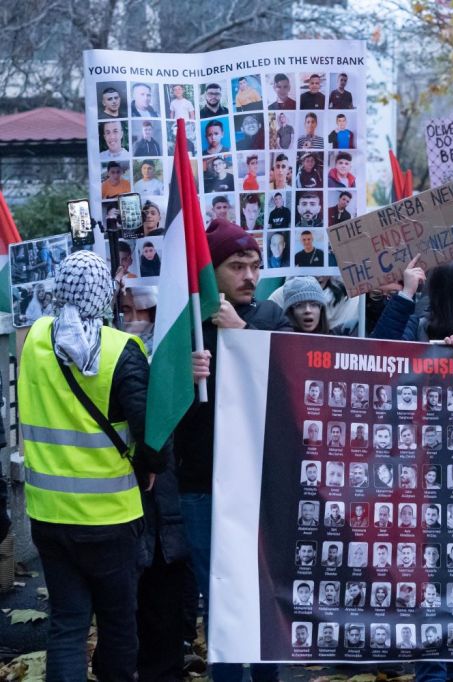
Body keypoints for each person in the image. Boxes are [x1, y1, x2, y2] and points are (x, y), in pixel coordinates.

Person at [20, 251, 169, 682]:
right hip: (111, 519)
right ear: (105, 294)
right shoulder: (122, 350)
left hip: (47, 514)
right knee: (118, 624)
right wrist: (151, 465)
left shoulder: (35, 339)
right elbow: (151, 432)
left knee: (67, 624)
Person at [179, 220, 290, 682]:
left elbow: (289, 385)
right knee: (220, 599)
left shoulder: (268, 317)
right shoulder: (185, 329)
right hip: (201, 486)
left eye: (255, 266)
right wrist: (182, 377)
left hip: (262, 488)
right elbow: (163, 409)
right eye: (236, 265)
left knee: (265, 596)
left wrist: (239, 332)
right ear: (211, 272)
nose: (249, 276)